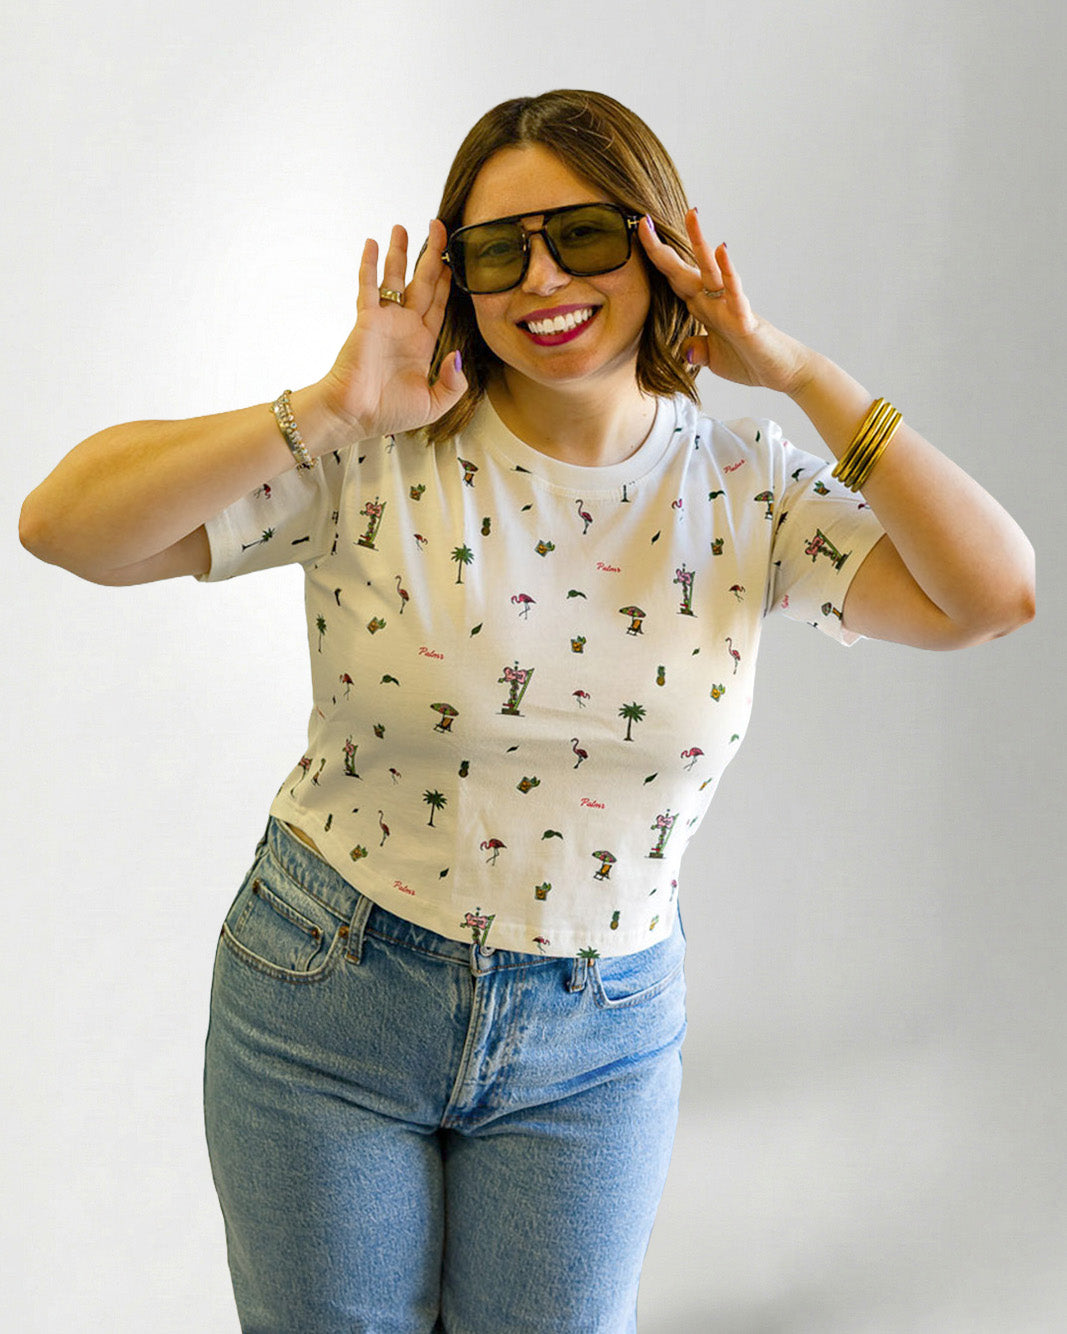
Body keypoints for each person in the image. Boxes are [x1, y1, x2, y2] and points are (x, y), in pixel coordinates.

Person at [19, 89, 1034, 1333]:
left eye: (584, 234)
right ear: (457, 276)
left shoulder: (745, 491)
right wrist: (328, 406)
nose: (540, 275)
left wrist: (798, 374)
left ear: (657, 243)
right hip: (329, 991)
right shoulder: (376, 455)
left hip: (594, 1039)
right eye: (498, 249)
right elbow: (63, 525)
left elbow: (990, 594)